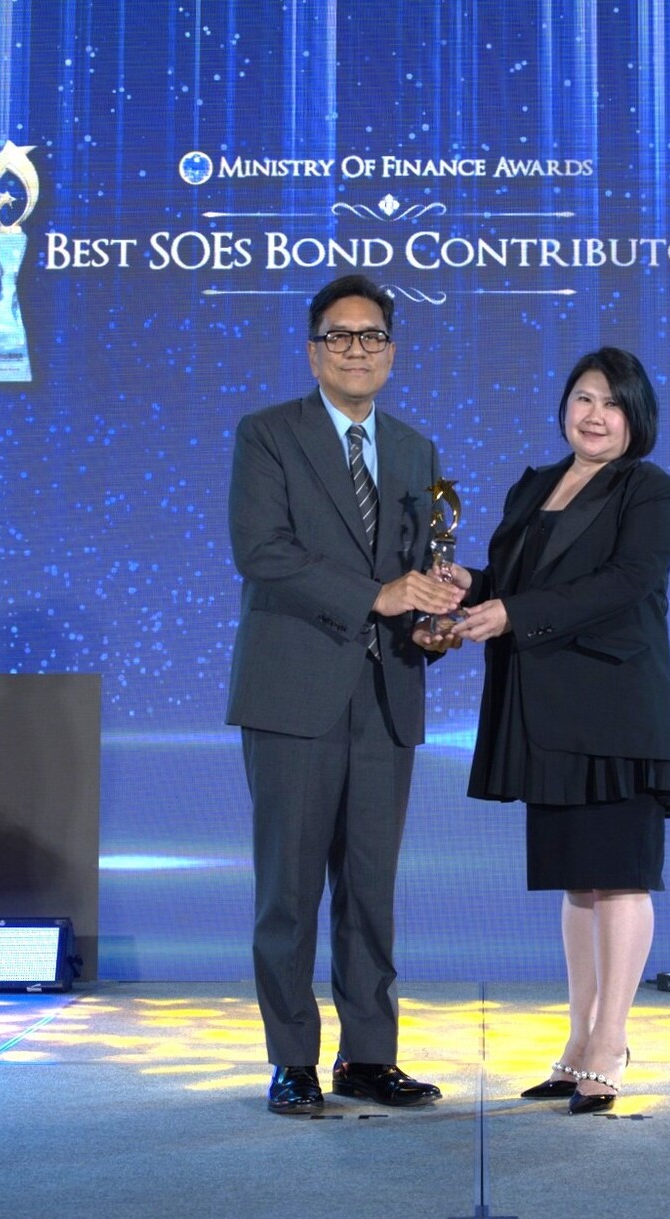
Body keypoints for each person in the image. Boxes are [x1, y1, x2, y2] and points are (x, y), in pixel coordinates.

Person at [226, 274, 462, 1115]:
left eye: (371, 336)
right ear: (312, 351)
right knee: (288, 891)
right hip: (293, 692)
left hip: (385, 693)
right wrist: (377, 595)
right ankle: (292, 1059)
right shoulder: (268, 435)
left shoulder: (414, 449)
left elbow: (417, 566)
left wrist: (433, 612)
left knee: (370, 889)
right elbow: (262, 551)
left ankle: (367, 1056)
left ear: (391, 352)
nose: (355, 350)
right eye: (339, 336)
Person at [433, 347, 670, 1114]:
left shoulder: (648, 489)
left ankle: (611, 1042)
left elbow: (624, 583)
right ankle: (577, 1045)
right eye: (582, 398)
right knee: (578, 881)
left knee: (620, 877)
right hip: (545, 710)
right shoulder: (533, 485)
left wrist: (512, 611)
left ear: (635, 416)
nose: (594, 415)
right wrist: (471, 586)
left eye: (611, 402)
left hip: (615, 707)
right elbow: (523, 583)